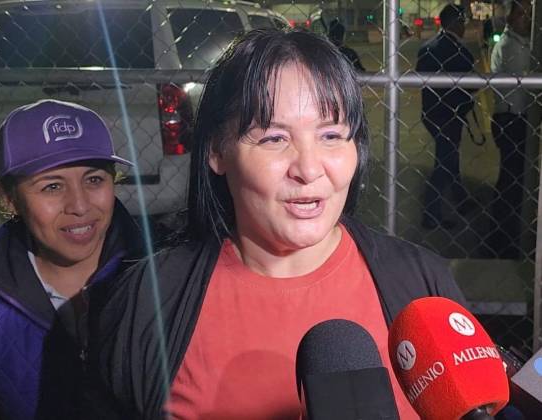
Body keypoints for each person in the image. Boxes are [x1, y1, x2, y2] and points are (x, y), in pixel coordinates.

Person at [86, 28, 466, 419]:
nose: (308, 169)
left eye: (331, 135)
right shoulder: (147, 303)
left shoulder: (424, 288)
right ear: (217, 151)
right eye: (274, 138)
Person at [0, 99, 144, 420]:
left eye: (94, 179)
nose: (80, 206)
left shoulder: (163, 273)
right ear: (8, 199)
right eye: (52, 186)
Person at [416, 4, 476, 230]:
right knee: (445, 162)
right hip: (451, 114)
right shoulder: (460, 51)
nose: (464, 26)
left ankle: (461, 199)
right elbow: (471, 85)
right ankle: (431, 214)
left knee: (450, 156)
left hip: (431, 113)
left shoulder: (427, 47)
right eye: (462, 22)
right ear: (456, 23)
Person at [488, 0, 533, 258]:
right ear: (510, 17)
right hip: (510, 119)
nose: (526, 18)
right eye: (521, 14)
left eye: (529, 14)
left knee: (513, 177)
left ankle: (506, 230)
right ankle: (502, 236)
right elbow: (524, 83)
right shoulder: (509, 46)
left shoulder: (520, 42)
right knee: (511, 178)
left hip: (516, 118)